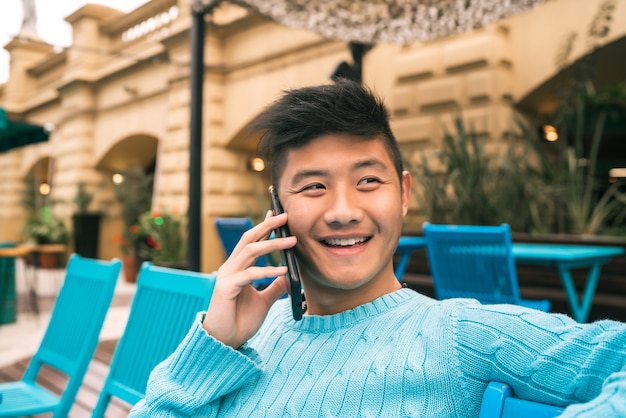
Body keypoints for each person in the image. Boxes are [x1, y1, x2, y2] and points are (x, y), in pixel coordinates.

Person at [130, 79, 626, 417]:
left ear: (404, 194)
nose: (344, 210)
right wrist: (214, 344)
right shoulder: (243, 340)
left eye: (368, 180)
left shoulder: (455, 335)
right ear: (276, 205)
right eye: (314, 187)